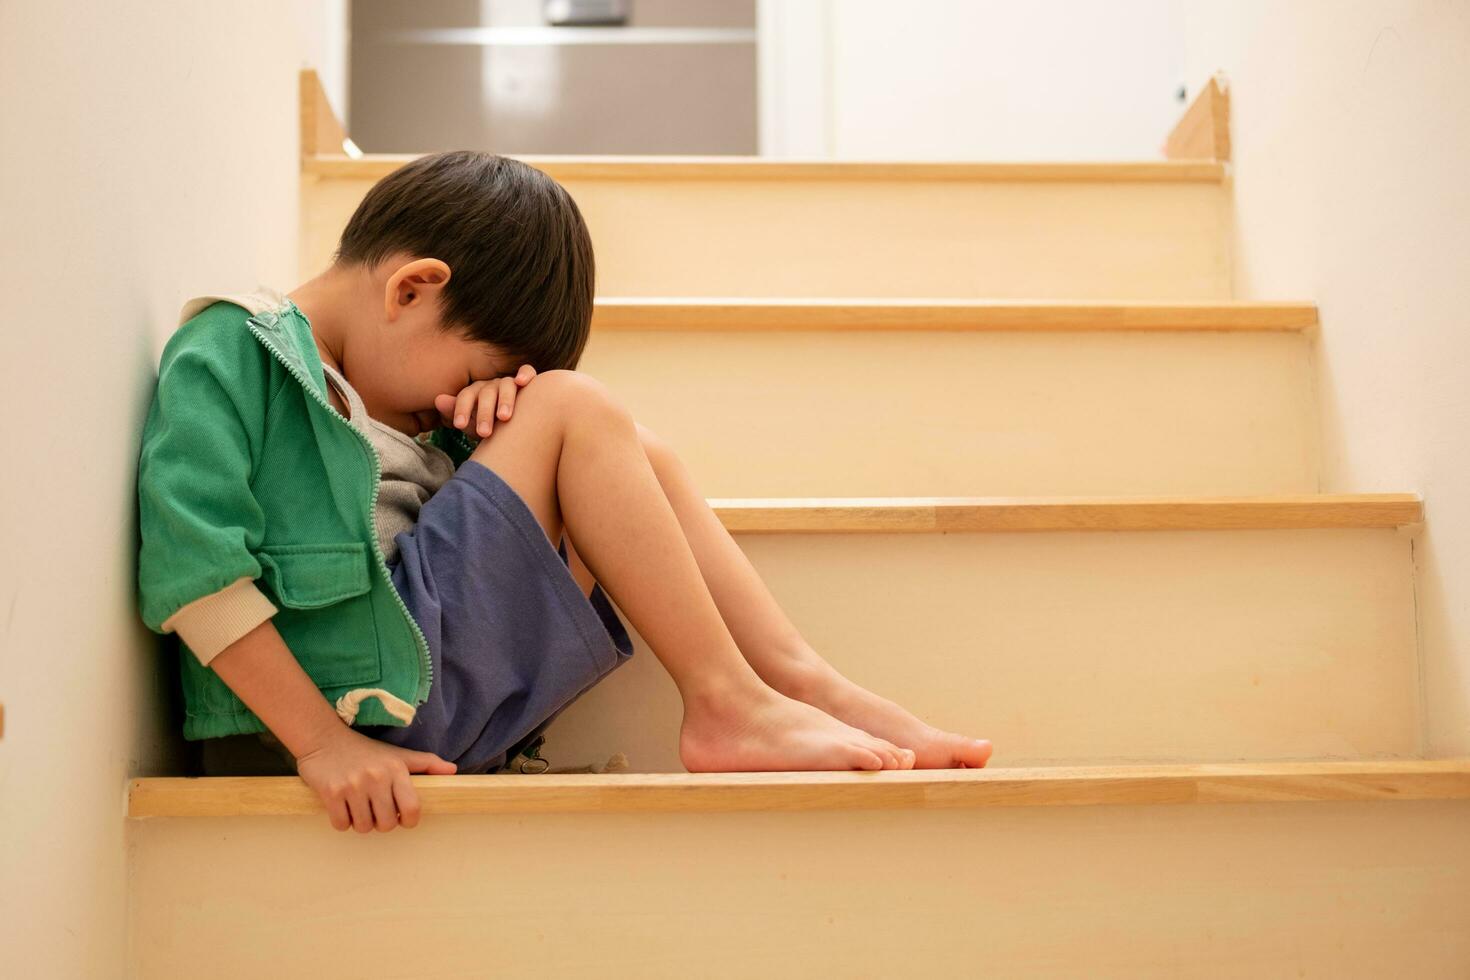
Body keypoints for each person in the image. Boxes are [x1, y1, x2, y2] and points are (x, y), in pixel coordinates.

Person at [136, 150, 993, 833]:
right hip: (333, 719)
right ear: (411, 287)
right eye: (473, 372)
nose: (448, 401)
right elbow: (193, 569)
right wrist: (321, 744)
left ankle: (804, 686)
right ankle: (728, 703)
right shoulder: (230, 354)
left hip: (426, 693)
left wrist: (475, 443)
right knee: (575, 407)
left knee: (631, 448)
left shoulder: (399, 398)